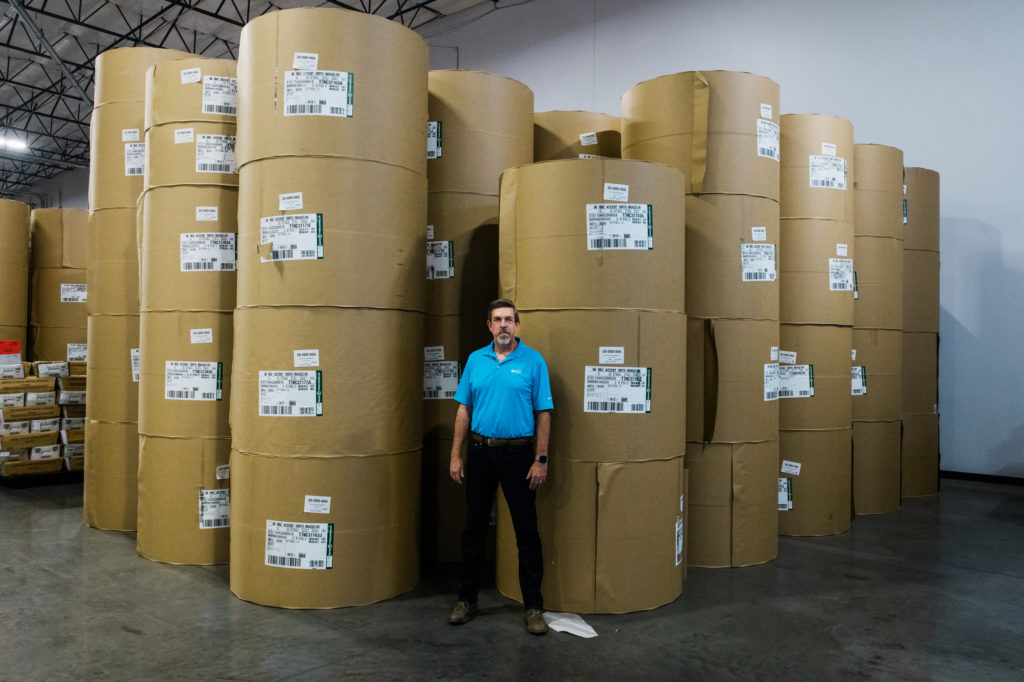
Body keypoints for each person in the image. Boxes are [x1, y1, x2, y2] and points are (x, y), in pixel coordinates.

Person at [447, 298, 553, 635]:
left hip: (519, 458)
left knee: (527, 533)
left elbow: (544, 414)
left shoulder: (533, 362)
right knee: (474, 531)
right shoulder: (476, 361)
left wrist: (541, 458)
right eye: (497, 320)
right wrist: (455, 453)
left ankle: (534, 607)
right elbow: (463, 410)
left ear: (517, 325)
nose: (504, 325)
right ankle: (467, 600)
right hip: (480, 452)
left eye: (509, 319)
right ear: (489, 326)